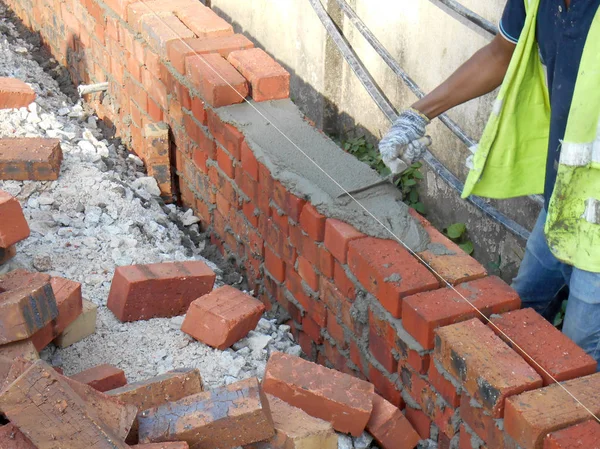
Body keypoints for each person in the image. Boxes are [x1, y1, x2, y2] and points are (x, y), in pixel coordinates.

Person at [379, 0, 600, 367]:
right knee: (522, 307)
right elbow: (501, 52)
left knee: (578, 356)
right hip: (566, 195)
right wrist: (417, 115)